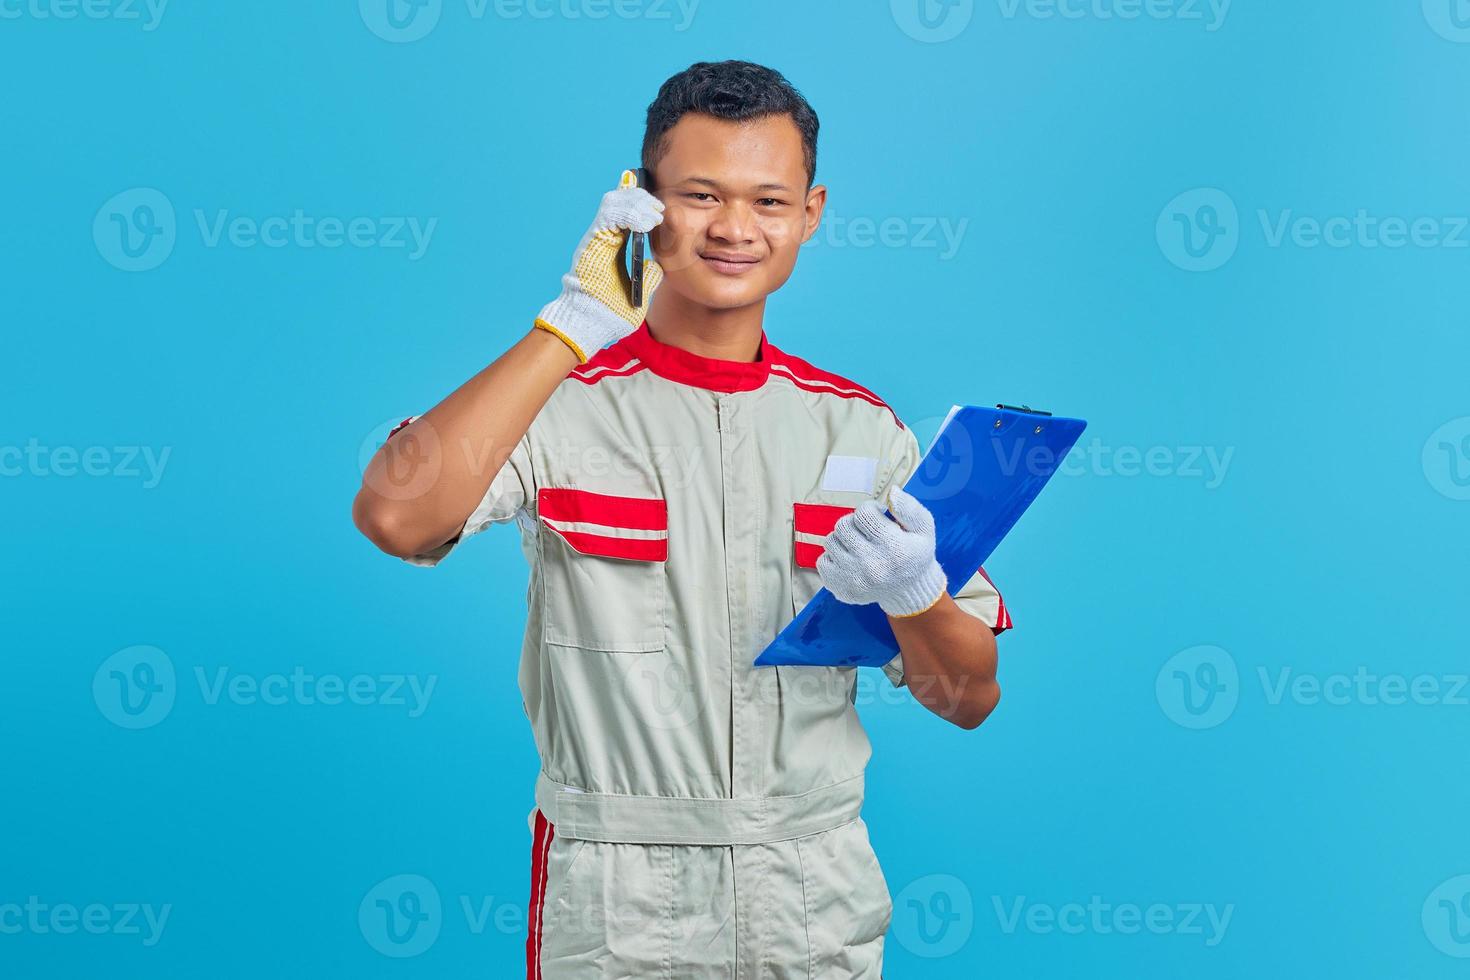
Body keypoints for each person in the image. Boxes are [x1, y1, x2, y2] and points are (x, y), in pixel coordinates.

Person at [353, 59, 1011, 979]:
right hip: (618, 899)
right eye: (701, 194)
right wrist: (572, 325)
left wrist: (912, 594)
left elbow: (967, 697)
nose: (737, 228)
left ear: (811, 213)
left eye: (769, 201)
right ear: (644, 201)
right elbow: (394, 516)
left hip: (811, 890)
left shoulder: (865, 432)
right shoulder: (557, 402)